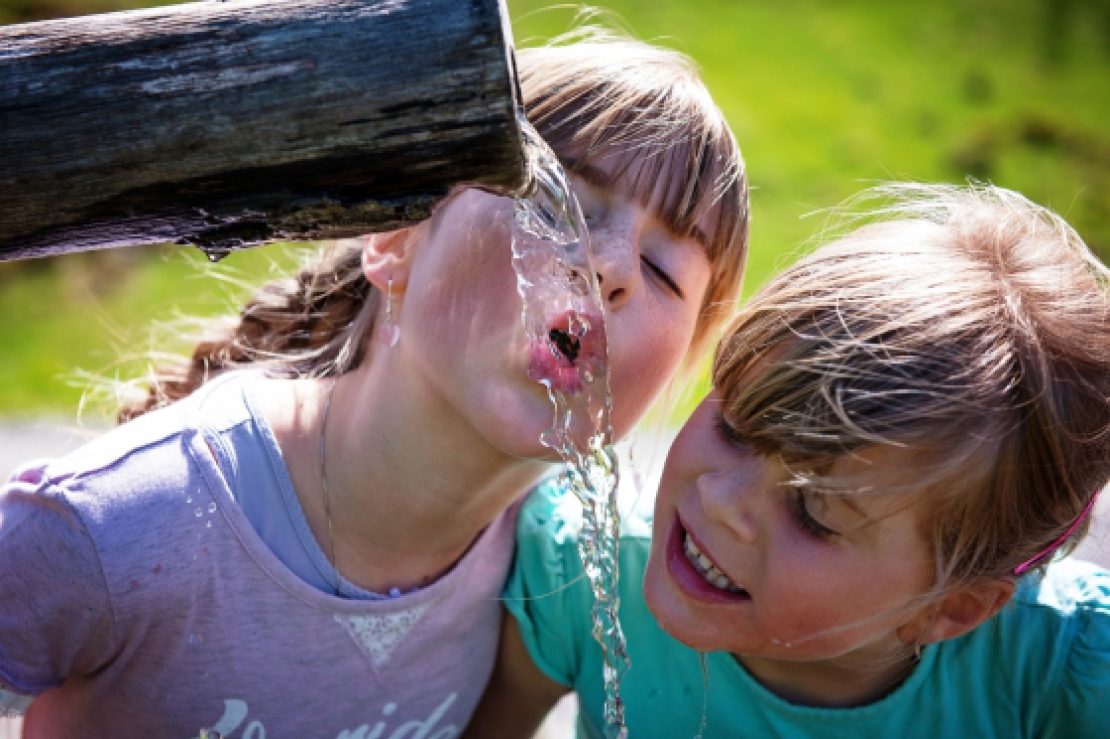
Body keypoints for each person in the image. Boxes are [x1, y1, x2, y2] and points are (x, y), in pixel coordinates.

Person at [0, 30, 749, 736]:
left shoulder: (552, 577)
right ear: (394, 241)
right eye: (563, 207)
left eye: (662, 271)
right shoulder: (123, 521)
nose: (611, 267)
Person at [467, 182, 1110, 738]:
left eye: (813, 511)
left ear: (950, 609)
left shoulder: (1061, 678)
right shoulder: (583, 573)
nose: (722, 499)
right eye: (736, 426)